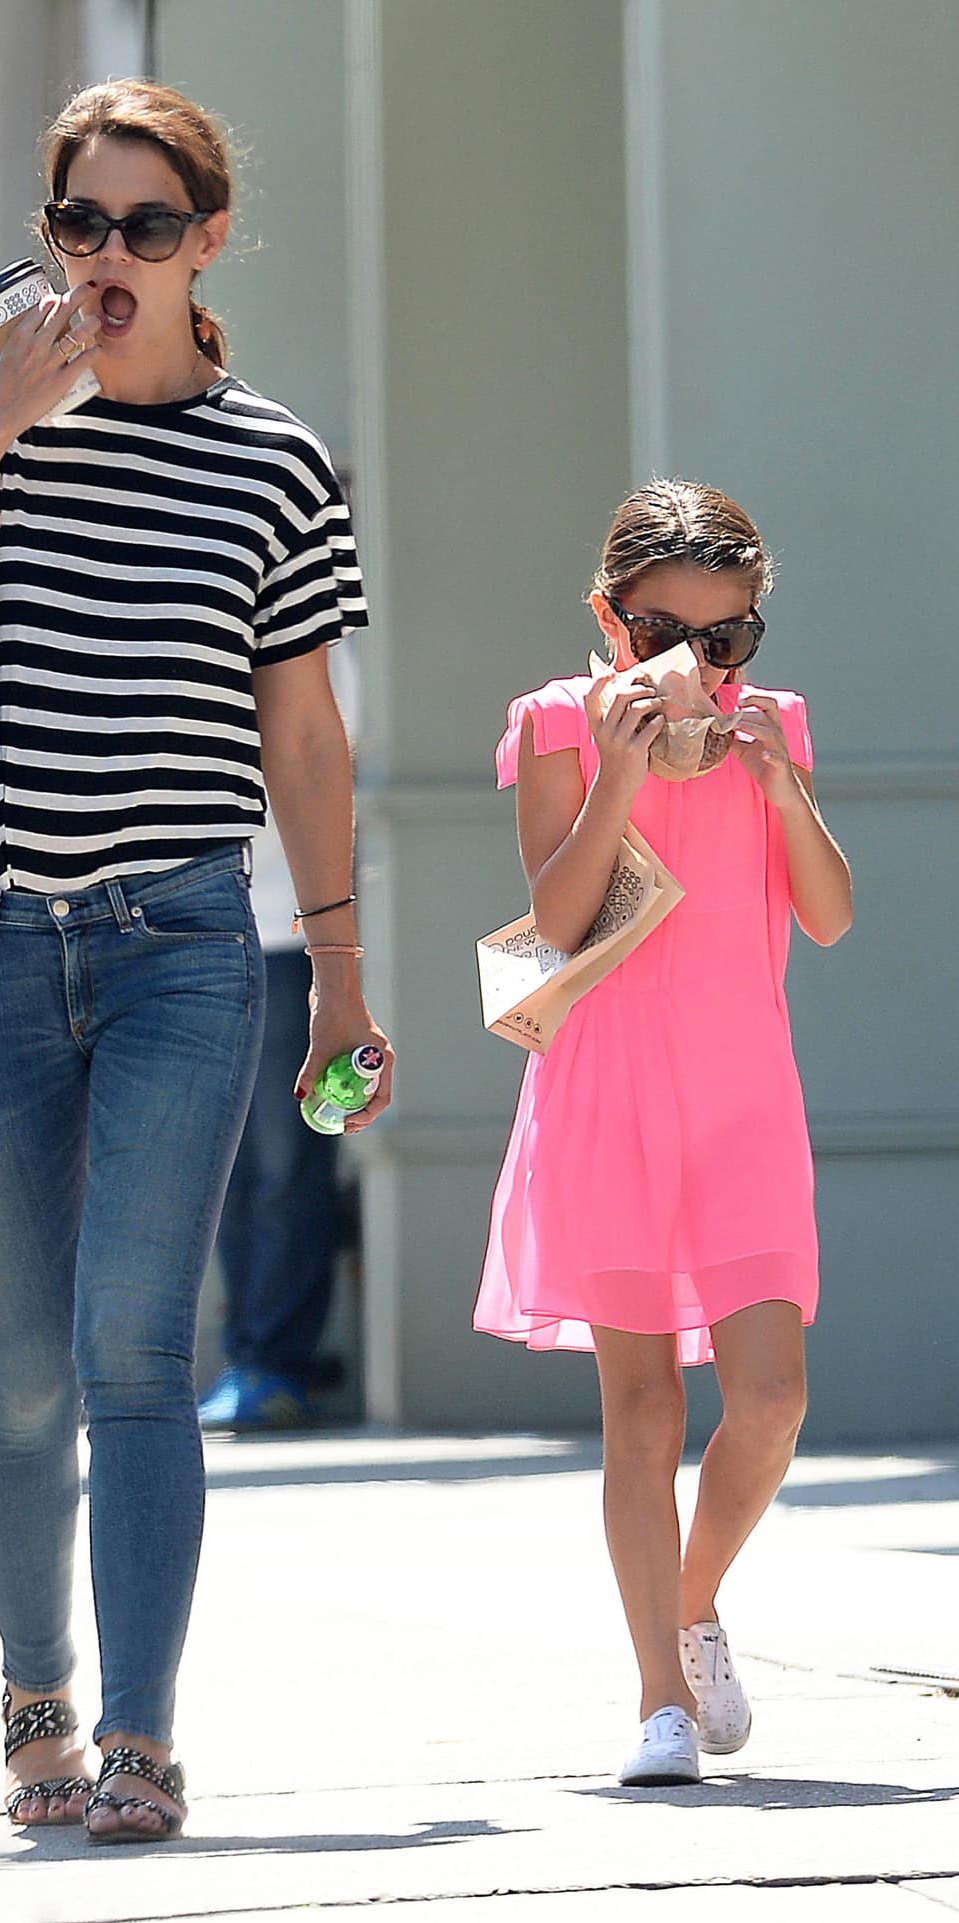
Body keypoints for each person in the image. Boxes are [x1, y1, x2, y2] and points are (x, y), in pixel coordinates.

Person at [0, 80, 391, 1843]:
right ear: (51, 231)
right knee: (24, 1368)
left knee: (140, 1346)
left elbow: (302, 738)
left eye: (150, 225)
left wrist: (342, 968)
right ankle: (34, 1698)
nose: (112, 257)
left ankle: (142, 1734)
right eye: (82, 224)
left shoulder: (275, 459)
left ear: (209, 239)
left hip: (178, 949)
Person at [474, 481, 852, 1787]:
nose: (698, 663)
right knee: (639, 1409)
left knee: (774, 1398)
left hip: (745, 1099)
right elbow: (561, 916)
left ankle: (691, 1609)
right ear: (608, 618)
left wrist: (781, 785)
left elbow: (829, 915)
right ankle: (658, 1699)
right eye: (662, 633)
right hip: (607, 1097)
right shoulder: (553, 723)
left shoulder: (776, 728)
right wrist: (620, 763)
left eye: (728, 637)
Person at [198, 815, 343, 1431]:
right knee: (226, 1172)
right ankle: (249, 1359)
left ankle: (278, 1363)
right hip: (190, 939)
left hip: (289, 935)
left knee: (287, 1166)